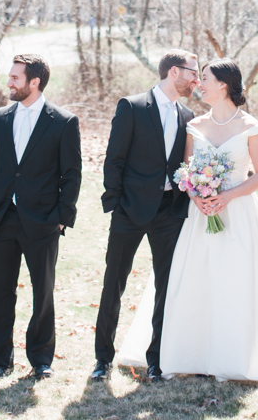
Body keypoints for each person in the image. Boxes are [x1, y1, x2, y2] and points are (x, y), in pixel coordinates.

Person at [121, 58, 258, 383]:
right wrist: (198, 197)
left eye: (205, 78)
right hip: (199, 216)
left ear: (223, 84)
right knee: (194, 280)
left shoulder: (251, 126)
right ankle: (191, 354)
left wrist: (227, 196)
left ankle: (234, 355)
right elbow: (185, 172)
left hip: (238, 215)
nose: (199, 83)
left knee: (234, 281)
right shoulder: (194, 126)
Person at [93, 50, 198, 382]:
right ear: (173, 72)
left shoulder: (188, 115)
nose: (197, 79)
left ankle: (156, 360)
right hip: (129, 210)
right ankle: (102, 359)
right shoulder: (133, 106)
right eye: (193, 72)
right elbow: (114, 159)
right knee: (114, 283)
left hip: (169, 212)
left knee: (166, 288)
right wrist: (116, 203)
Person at [0, 54, 82, 383]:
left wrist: (61, 217)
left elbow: (72, 175)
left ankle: (40, 359)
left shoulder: (63, 121)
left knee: (43, 293)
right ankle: (0, 360)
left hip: (43, 221)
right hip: (0, 220)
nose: (8, 82)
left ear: (34, 82)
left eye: (14, 77)